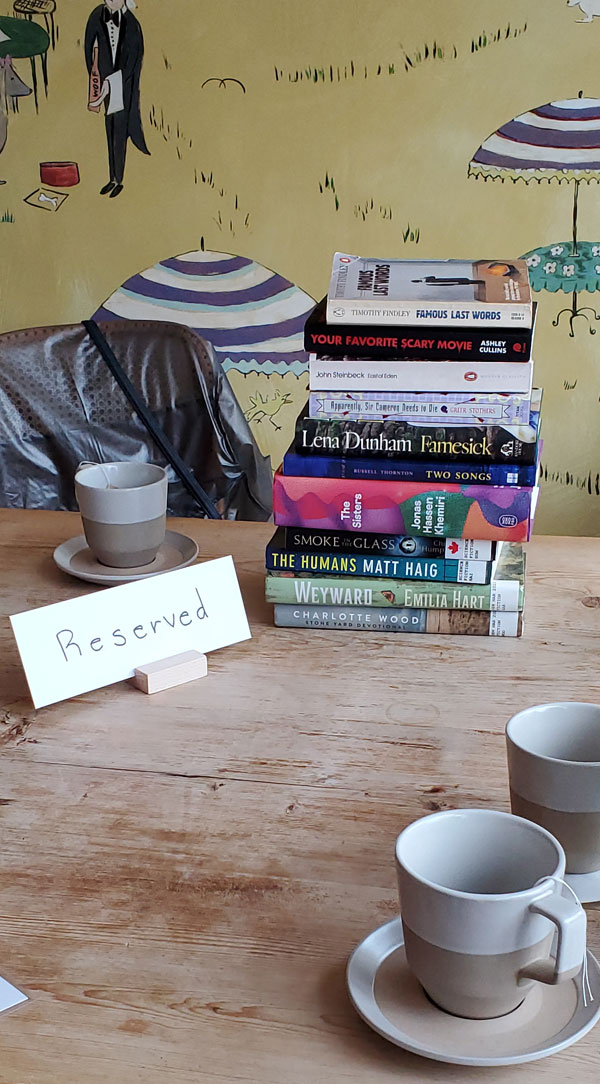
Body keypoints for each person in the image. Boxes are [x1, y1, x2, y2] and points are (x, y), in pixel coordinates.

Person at [84, 0, 150, 198]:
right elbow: (88, 47)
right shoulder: (96, 16)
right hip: (104, 80)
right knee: (110, 127)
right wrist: (96, 81)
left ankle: (119, 179)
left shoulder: (132, 24)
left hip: (123, 84)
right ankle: (112, 178)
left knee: (119, 130)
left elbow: (133, 60)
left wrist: (113, 83)